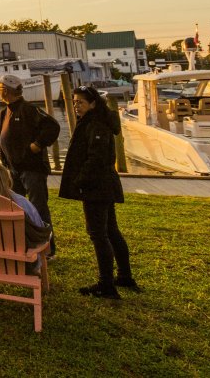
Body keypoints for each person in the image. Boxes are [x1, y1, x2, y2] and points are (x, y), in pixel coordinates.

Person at [60, 85, 138, 299]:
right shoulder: (95, 121)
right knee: (111, 230)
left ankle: (106, 284)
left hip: (97, 186)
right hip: (103, 184)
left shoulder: (97, 125)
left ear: (93, 103)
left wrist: (80, 180)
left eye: (81, 102)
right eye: (74, 102)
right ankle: (124, 275)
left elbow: (96, 158)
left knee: (99, 234)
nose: (76, 105)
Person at [0, 73, 60, 256]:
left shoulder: (28, 110)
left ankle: (48, 250)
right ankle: (23, 244)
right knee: (16, 208)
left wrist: (36, 145)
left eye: (0, 88)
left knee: (38, 208)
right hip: (13, 169)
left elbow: (52, 127)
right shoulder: (5, 112)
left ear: (6, 90)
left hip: (32, 169)